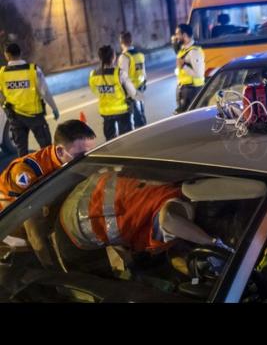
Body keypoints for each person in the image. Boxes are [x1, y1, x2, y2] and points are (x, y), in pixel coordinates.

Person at [54, 172, 234, 275]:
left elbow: (172, 251)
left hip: (83, 198)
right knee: (103, 286)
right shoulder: (181, 205)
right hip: (78, 230)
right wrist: (214, 245)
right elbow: (169, 218)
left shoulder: (170, 184)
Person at [0, 120, 96, 268]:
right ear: (59, 151)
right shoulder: (27, 172)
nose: (87, 160)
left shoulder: (68, 160)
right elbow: (34, 231)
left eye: (90, 153)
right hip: (9, 223)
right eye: (81, 155)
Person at [0, 43, 60, 156]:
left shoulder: (2, 73)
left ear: (7, 55)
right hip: (35, 116)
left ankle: (25, 172)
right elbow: (45, 92)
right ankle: (52, 172)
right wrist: (54, 108)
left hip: (15, 117)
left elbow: (1, 94)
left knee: (21, 151)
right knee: (46, 148)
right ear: (20, 53)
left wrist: (4, 104)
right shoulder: (34, 70)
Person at [89, 45, 143, 140]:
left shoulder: (93, 74)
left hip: (106, 112)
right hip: (122, 111)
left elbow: (95, 91)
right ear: (113, 57)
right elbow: (132, 92)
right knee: (128, 140)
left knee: (111, 142)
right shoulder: (119, 73)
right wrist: (139, 98)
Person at [118, 31, 147, 129]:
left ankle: (140, 134)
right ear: (131, 41)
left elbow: (123, 77)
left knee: (135, 116)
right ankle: (144, 130)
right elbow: (143, 71)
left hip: (130, 90)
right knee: (141, 111)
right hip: (140, 86)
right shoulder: (139, 54)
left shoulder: (124, 57)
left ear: (121, 42)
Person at [173, 23, 205, 114]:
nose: (176, 37)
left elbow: (199, 74)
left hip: (192, 90)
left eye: (177, 34)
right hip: (184, 89)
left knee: (190, 117)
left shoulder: (194, 52)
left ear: (184, 35)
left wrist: (183, 66)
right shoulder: (184, 50)